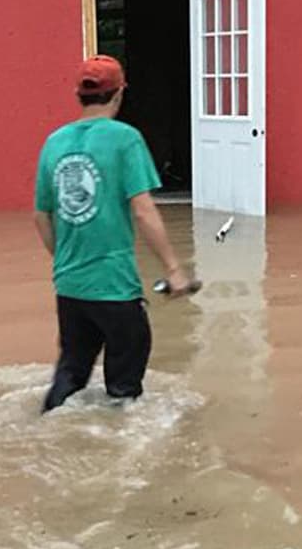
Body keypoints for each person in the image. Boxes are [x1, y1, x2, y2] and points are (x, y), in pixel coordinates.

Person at [34, 55, 194, 413]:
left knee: (71, 373)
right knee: (124, 390)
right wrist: (174, 270)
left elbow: (40, 216)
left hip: (69, 287)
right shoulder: (126, 139)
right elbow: (143, 210)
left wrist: (64, 260)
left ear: (78, 94)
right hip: (115, 286)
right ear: (119, 93)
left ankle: (46, 422)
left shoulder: (54, 142)